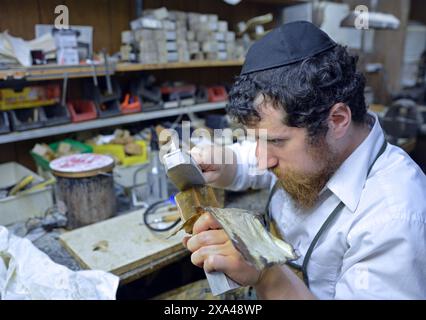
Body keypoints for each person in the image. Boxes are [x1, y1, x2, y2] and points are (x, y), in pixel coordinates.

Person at [183, 21, 426, 299]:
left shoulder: (394, 218)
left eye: (274, 141)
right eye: (255, 140)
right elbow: (251, 162)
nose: (262, 160)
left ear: (336, 120)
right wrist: (224, 162)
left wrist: (265, 272)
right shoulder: (312, 151)